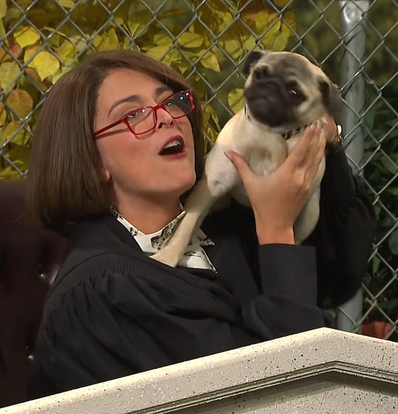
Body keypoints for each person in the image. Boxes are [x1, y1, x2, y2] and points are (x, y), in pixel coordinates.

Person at [25, 49, 376, 398]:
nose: (166, 118)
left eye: (171, 102)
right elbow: (268, 394)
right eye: (134, 114)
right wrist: (276, 230)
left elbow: (338, 273)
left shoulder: (219, 230)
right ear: (91, 160)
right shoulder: (103, 294)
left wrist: (325, 141)